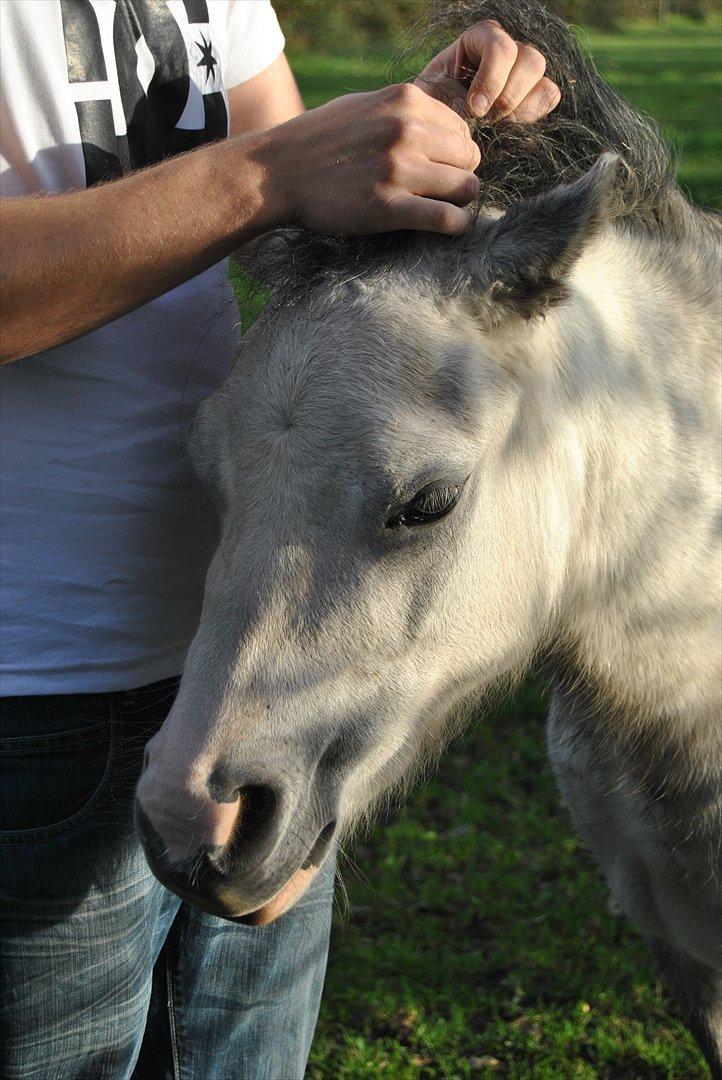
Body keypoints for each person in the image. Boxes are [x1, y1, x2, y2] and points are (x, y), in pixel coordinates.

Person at [0, 3, 560, 1077]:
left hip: (253, 649)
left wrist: (411, 138)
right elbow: (265, 178)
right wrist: (275, 172)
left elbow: (288, 232)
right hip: (33, 688)